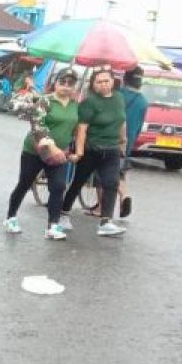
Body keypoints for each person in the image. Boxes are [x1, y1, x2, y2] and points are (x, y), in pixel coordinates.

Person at [4, 69, 81, 239]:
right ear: (55, 83)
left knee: (59, 186)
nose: (66, 87)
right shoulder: (44, 101)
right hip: (35, 150)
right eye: (63, 82)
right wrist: (52, 147)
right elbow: (37, 125)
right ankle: (11, 217)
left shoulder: (75, 105)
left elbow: (77, 129)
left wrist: (75, 150)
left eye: (70, 83)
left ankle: (53, 226)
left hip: (60, 153)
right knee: (24, 183)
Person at [62, 68, 128, 237]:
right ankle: (63, 213)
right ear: (93, 84)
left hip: (112, 150)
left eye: (106, 80)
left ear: (113, 81)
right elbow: (82, 129)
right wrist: (79, 152)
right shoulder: (89, 103)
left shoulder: (119, 99)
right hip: (92, 150)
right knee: (78, 182)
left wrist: (123, 141)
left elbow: (121, 120)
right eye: (99, 82)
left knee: (111, 183)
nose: (104, 84)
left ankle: (106, 222)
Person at [118, 67, 148, 217]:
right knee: (119, 171)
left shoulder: (118, 95)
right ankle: (125, 195)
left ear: (125, 78)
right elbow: (139, 126)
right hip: (128, 141)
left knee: (105, 171)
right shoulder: (143, 101)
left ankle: (101, 207)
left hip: (111, 137)